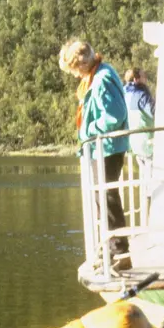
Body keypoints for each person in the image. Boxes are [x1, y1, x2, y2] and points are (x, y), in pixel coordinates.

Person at [58, 39, 130, 256]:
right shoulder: (98, 74)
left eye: (73, 70)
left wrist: (88, 130)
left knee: (106, 195)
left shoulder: (101, 79)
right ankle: (111, 246)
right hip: (104, 148)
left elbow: (116, 115)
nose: (74, 75)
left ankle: (118, 250)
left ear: (80, 65)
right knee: (103, 196)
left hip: (108, 148)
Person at [122, 67, 155, 160]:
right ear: (136, 79)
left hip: (134, 143)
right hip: (148, 142)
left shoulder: (123, 95)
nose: (146, 79)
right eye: (144, 76)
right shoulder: (142, 95)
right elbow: (155, 113)